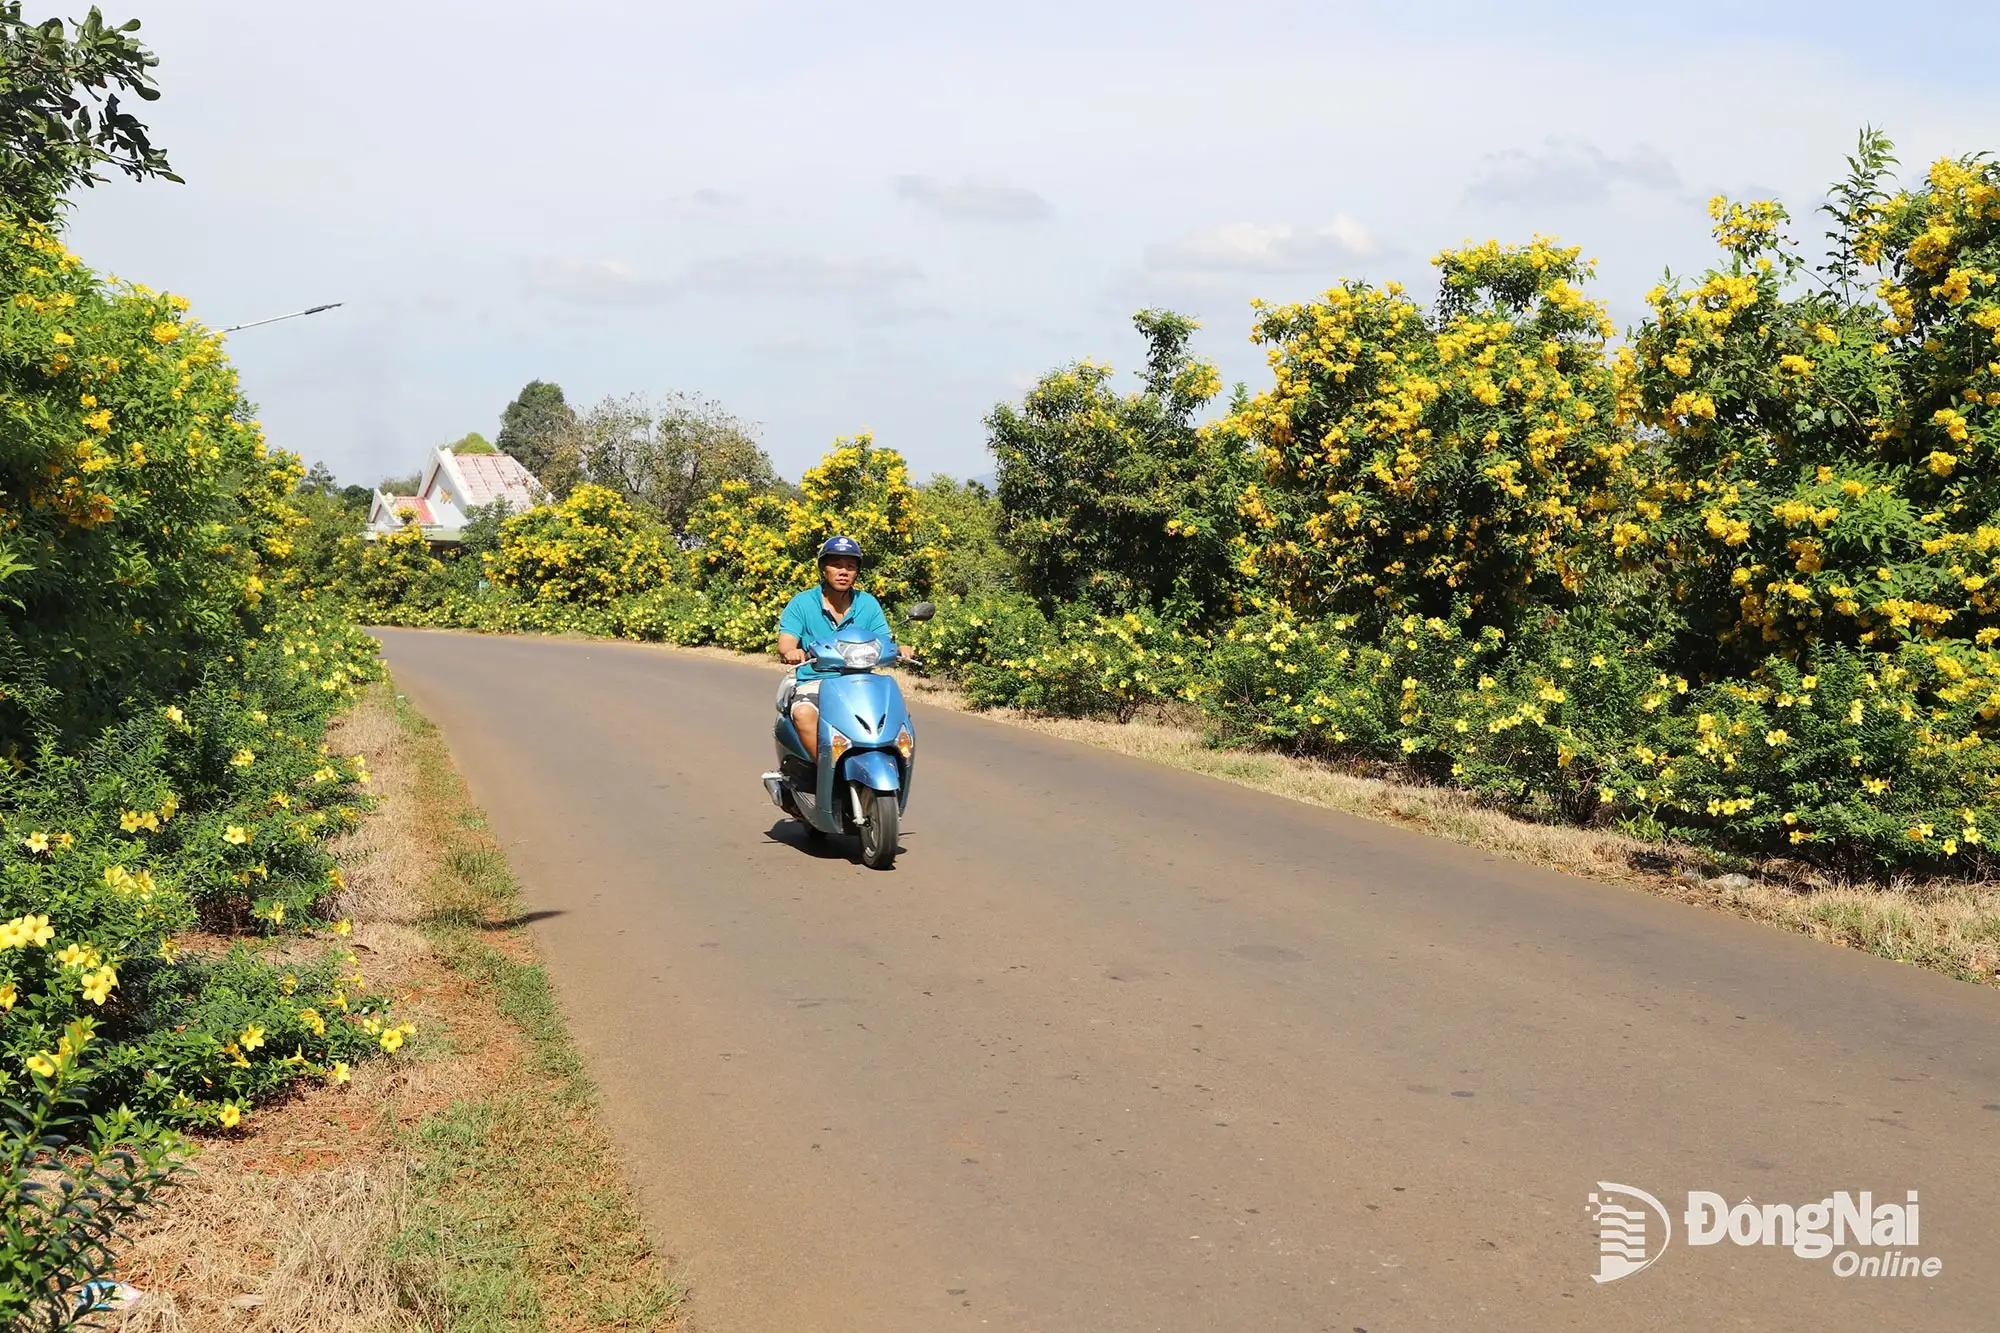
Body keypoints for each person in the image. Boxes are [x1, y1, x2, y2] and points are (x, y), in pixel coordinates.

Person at [776, 536, 913, 762]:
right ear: (823, 569)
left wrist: (900, 649)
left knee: (897, 712)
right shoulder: (802, 603)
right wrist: (792, 651)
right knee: (803, 713)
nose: (843, 572)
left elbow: (883, 639)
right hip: (816, 681)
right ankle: (825, 770)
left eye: (850, 566)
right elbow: (786, 641)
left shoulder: (867, 603)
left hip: (861, 681)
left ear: (857, 572)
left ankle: (894, 767)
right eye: (836, 565)